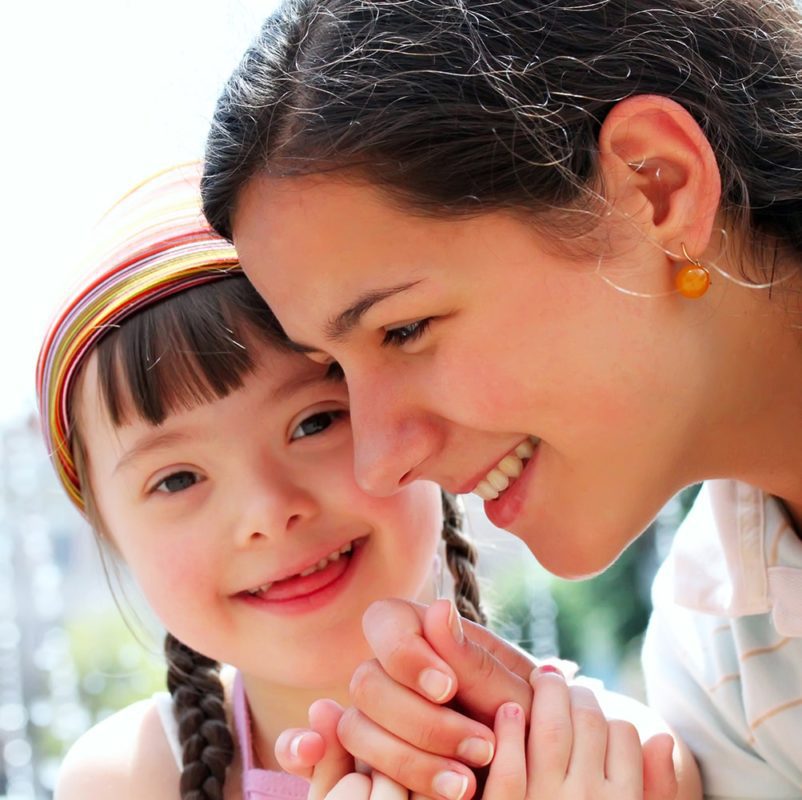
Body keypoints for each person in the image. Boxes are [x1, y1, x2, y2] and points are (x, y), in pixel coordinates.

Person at [199, 1, 802, 798]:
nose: (379, 461)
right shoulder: (718, 651)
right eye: (335, 376)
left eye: (405, 329)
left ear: (656, 188)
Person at [39, 163, 686, 800]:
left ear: (410, 428)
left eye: (316, 423)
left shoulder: (605, 760)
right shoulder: (126, 779)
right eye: (177, 479)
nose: (268, 509)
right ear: (113, 536)